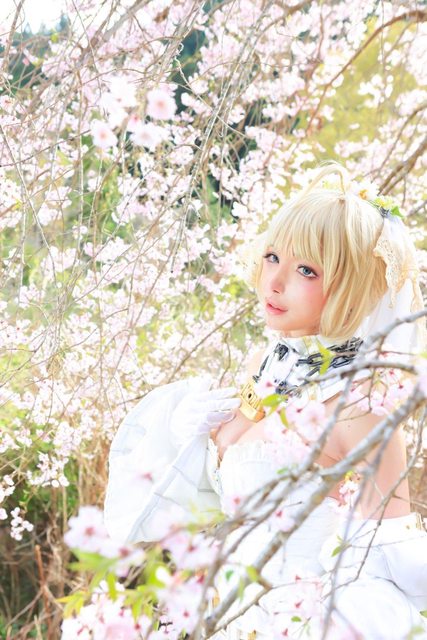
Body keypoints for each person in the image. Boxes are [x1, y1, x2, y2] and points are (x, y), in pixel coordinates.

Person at [104, 162, 427, 639]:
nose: (274, 282)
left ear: (350, 286)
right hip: (226, 612)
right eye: (273, 256)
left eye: (306, 270)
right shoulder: (268, 364)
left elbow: (393, 555)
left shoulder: (360, 404)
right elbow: (218, 498)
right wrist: (187, 435)